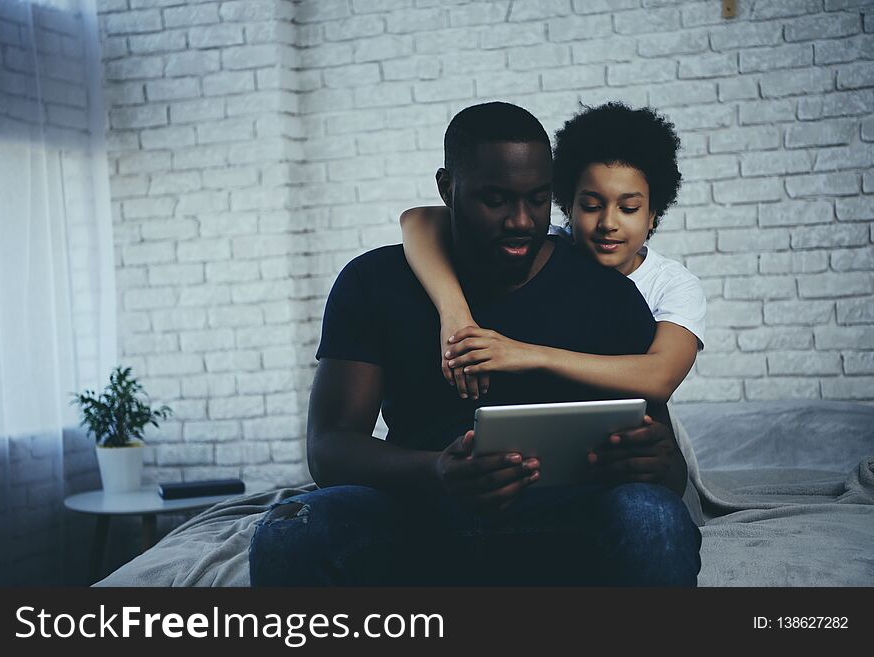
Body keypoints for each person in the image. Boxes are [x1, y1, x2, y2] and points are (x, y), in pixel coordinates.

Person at [248, 102, 702, 587]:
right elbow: (329, 448)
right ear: (448, 189)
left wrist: (654, 462)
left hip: (566, 516)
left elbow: (670, 469)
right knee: (288, 530)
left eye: (537, 199)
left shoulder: (607, 292)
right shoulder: (374, 282)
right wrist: (437, 471)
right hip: (420, 510)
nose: (522, 221)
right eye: (496, 199)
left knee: (652, 516)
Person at [400, 102, 706, 404]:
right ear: (567, 206)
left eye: (628, 209)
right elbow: (419, 220)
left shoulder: (672, 285)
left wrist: (527, 354)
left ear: (653, 214)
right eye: (591, 206)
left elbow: (660, 377)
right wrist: (455, 315)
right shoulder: (543, 242)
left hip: (643, 425)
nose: (608, 224)